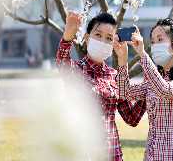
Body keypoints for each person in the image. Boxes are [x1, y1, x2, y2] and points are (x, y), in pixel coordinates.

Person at [56, 11, 146, 161]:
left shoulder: (114, 75)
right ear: (86, 38)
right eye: (98, 35)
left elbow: (131, 118)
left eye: (109, 38)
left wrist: (147, 89)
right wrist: (67, 36)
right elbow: (62, 61)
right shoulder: (75, 70)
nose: (103, 41)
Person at [117, 18, 173, 161]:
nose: (154, 45)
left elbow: (165, 90)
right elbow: (125, 92)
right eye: (153, 42)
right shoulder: (154, 80)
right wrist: (122, 58)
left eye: (160, 39)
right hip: (151, 155)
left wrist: (142, 54)